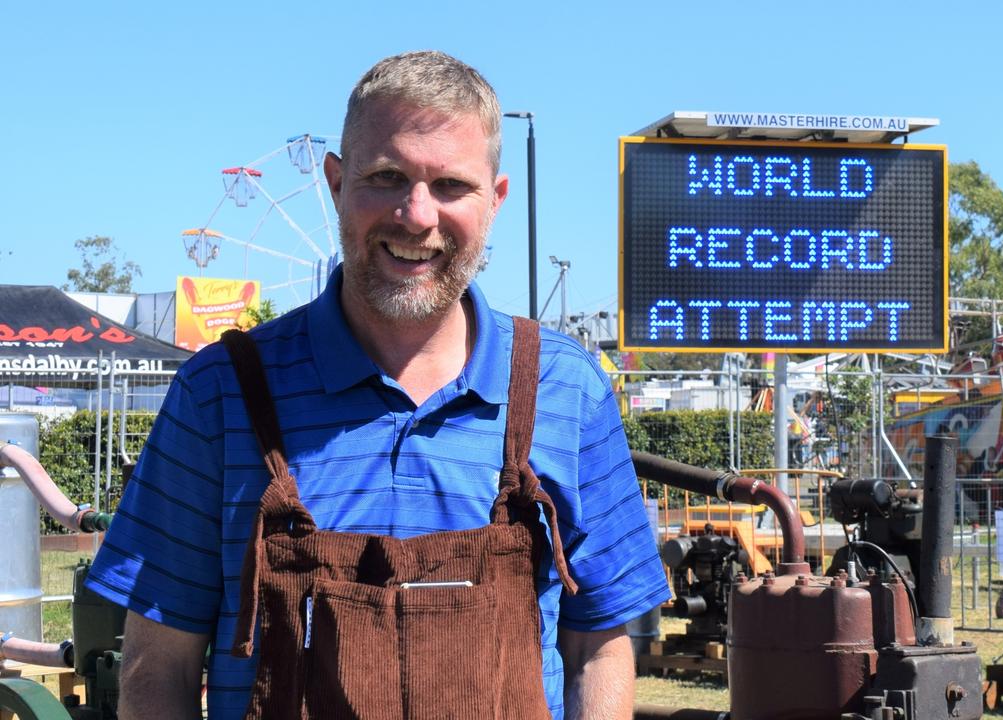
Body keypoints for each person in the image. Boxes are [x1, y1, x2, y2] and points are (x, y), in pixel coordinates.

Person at [85, 50, 669, 720]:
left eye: (451, 186)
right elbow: (157, 669)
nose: (416, 216)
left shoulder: (565, 390)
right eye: (387, 177)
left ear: (496, 199)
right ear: (334, 183)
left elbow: (598, 645)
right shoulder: (217, 396)